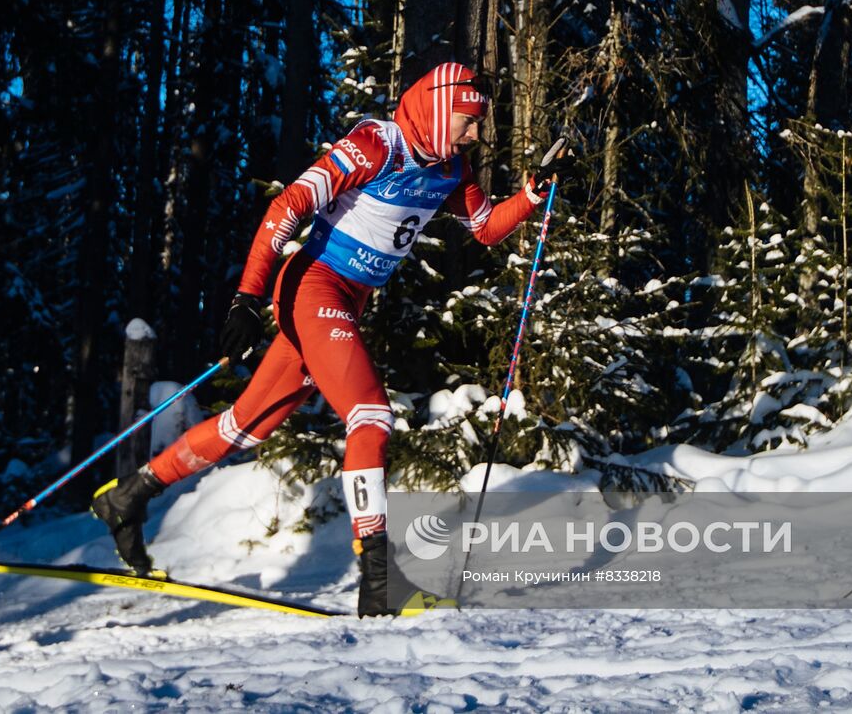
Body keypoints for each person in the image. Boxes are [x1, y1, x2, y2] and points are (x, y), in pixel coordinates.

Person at [92, 62, 574, 616]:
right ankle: (379, 580)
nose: (476, 134)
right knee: (371, 416)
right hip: (313, 287)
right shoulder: (376, 146)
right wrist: (246, 298)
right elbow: (288, 205)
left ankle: (130, 497)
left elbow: (485, 228)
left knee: (245, 425)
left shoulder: (450, 167)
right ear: (440, 109)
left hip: (348, 300)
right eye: (468, 121)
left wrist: (534, 192)